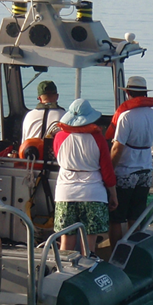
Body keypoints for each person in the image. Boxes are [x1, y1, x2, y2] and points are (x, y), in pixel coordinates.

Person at [52, 98, 118, 253]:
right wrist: (113, 195)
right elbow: (107, 171)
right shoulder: (98, 139)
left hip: (65, 193)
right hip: (93, 194)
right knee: (88, 246)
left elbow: (58, 158)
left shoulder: (59, 137)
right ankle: (86, 271)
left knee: (66, 243)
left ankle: (63, 274)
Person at [107, 76, 153, 249]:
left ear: (128, 93)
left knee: (116, 217)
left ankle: (115, 252)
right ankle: (133, 250)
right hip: (145, 169)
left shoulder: (126, 116)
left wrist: (108, 171)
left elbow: (117, 148)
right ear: (145, 93)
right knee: (136, 216)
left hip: (125, 171)